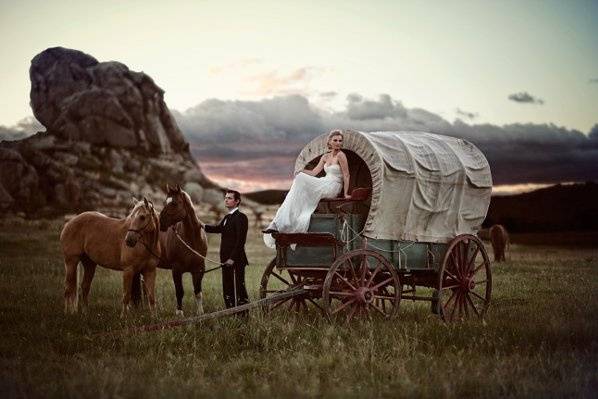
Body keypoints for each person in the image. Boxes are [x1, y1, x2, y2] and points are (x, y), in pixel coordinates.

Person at [263, 129, 351, 248]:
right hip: (324, 182)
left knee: (301, 181)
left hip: (334, 185)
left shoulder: (341, 155)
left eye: (340, 141)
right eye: (335, 140)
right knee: (299, 178)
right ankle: (279, 223)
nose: (338, 143)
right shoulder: (325, 156)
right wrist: (300, 171)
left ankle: (281, 223)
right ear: (329, 141)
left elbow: (346, 174)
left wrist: (345, 193)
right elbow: (314, 172)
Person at [203, 190, 249, 310]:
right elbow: (218, 229)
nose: (226, 200)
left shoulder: (241, 217)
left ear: (237, 201)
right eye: (225, 198)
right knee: (227, 287)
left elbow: (240, 241)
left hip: (236, 260)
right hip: (225, 260)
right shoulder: (227, 217)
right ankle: (230, 311)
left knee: (239, 287)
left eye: (229, 198)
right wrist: (203, 226)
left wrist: (232, 258)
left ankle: (243, 314)